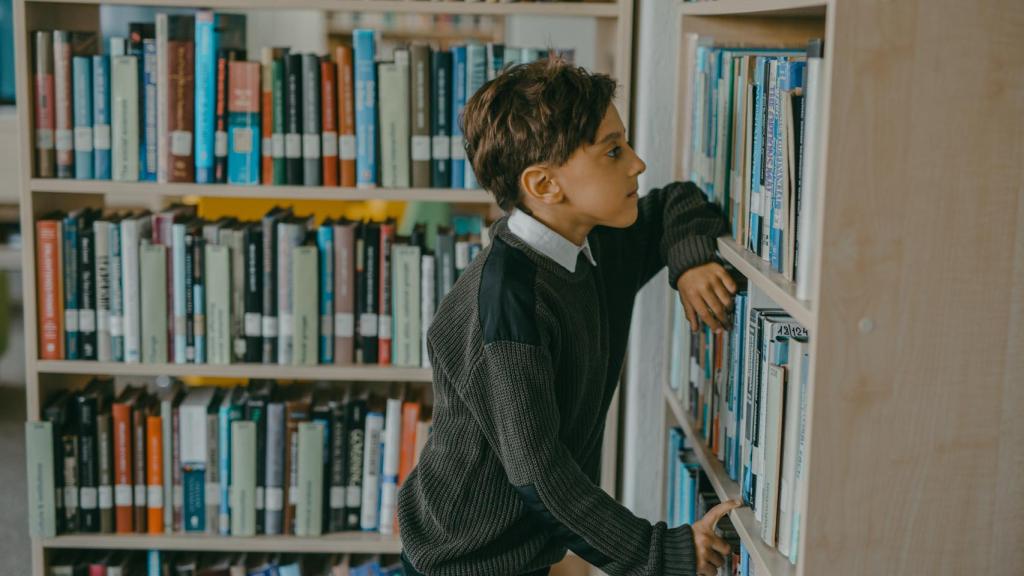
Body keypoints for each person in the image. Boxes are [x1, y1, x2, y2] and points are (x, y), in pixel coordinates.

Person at [398, 57, 740, 576]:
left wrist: (690, 260)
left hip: (527, 553)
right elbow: (540, 474)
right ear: (544, 185)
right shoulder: (510, 303)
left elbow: (676, 201)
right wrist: (658, 553)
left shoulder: (589, 244)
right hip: (467, 564)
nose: (637, 164)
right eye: (612, 150)